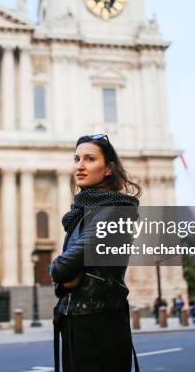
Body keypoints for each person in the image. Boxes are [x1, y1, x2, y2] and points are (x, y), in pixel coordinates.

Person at [50, 134, 142, 372]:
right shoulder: (82, 210)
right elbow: (66, 274)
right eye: (77, 159)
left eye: (90, 159)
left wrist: (60, 272)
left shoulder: (116, 209)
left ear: (109, 168)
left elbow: (63, 267)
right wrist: (64, 282)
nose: (80, 166)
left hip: (98, 321)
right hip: (77, 318)